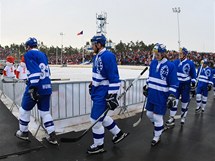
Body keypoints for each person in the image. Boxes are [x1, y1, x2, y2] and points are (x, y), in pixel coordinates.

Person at [87, 34, 128, 154]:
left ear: (98, 44)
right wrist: (93, 84)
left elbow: (114, 77)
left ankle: (99, 145)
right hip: (98, 91)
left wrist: (112, 95)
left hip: (103, 93)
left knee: (94, 120)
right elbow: (99, 74)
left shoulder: (108, 56)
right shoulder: (97, 56)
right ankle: (118, 133)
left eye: (93, 43)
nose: (92, 46)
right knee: (102, 117)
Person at [15, 37, 58, 145]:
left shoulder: (28, 54)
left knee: (24, 110)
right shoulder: (43, 54)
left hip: (36, 86)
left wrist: (33, 87)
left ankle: (24, 132)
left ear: (28, 46)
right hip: (46, 86)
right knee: (45, 112)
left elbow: (36, 72)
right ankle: (52, 135)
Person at [143, 43, 178, 146]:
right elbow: (150, 77)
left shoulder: (170, 66)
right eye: (154, 53)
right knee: (149, 114)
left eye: (157, 53)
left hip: (161, 96)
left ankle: (157, 136)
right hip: (152, 94)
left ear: (163, 54)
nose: (155, 55)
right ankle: (160, 127)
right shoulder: (153, 63)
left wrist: (171, 95)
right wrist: (147, 86)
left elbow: (174, 82)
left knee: (158, 117)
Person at [166, 47, 196, 126]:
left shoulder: (190, 63)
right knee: (173, 102)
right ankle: (172, 118)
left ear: (185, 54)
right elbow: (171, 72)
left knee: (184, 103)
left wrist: (193, 82)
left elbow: (193, 75)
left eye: (181, 53)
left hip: (185, 86)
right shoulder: (175, 62)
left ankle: (183, 117)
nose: (180, 55)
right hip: (176, 85)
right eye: (179, 53)